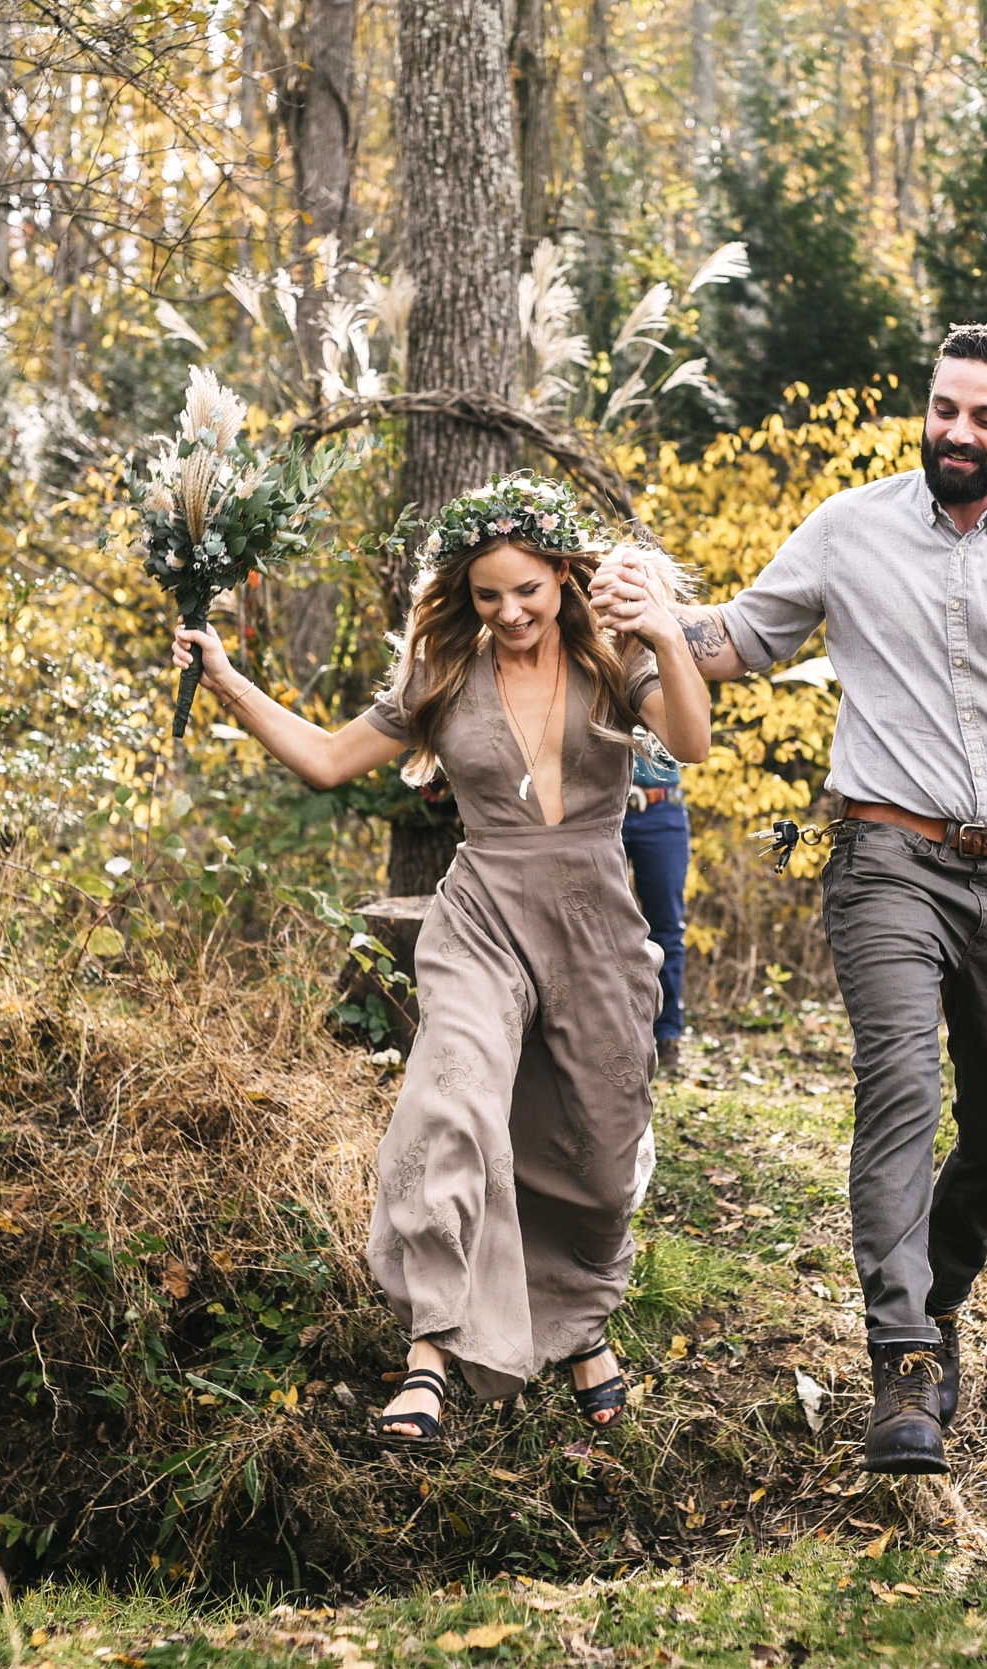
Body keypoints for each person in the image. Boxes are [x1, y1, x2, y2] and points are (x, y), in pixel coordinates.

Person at [598, 322, 987, 1474]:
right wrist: (640, 617)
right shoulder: (849, 527)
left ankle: (936, 1303)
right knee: (898, 1086)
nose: (959, 432)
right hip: (884, 857)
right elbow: (735, 640)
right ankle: (901, 1361)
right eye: (946, 409)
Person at [172, 473, 712, 1447]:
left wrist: (668, 635)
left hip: (593, 922)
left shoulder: (613, 662)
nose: (508, 613)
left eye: (527, 591)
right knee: (452, 1103)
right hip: (482, 914)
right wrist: (226, 679)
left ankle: (579, 1326)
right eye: (487, 596)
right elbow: (329, 759)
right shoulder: (441, 677)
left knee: (591, 1154)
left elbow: (691, 739)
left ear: (562, 576)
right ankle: (428, 1353)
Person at [622, 739, 690, 1080]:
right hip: (602, 804)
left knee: (666, 928)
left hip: (662, 806)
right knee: (599, 928)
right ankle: (615, 1035)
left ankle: (667, 1037)